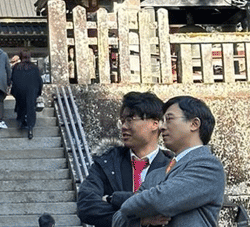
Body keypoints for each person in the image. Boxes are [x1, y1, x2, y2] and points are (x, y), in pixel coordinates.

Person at [112, 96, 225, 227]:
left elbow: (160, 200)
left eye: (169, 119)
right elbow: (117, 218)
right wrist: (142, 221)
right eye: (162, 120)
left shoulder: (208, 167)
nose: (161, 127)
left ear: (194, 124)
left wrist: (129, 203)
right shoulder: (157, 173)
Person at [76, 91, 172, 227]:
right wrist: (138, 221)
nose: (124, 127)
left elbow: (170, 205)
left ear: (155, 123)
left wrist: (112, 199)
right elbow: (86, 207)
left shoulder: (172, 166)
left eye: (130, 119)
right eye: (122, 121)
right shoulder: (106, 162)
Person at [10, 51, 43, 139]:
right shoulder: (35, 68)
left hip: (19, 90)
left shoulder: (16, 67)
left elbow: (13, 79)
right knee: (31, 107)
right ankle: (30, 128)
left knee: (21, 104)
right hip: (32, 90)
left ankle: (21, 121)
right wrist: (38, 92)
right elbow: (39, 81)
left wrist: (14, 91)